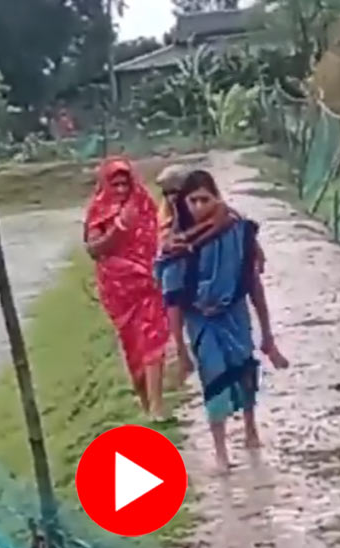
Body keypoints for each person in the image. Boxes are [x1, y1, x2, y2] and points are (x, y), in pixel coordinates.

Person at [155, 170, 288, 474]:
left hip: (234, 313)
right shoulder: (176, 245)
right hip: (201, 321)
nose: (199, 206)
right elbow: (173, 301)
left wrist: (267, 334)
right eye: (193, 200)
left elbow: (253, 282)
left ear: (217, 198)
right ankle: (220, 450)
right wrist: (181, 349)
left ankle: (251, 428)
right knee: (213, 378)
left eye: (206, 199)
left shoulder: (237, 232)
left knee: (244, 368)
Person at [84, 157, 170, 421]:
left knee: (154, 339)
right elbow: (93, 249)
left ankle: (157, 406)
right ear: (106, 185)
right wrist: (119, 228)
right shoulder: (98, 211)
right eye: (116, 184)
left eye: (125, 183)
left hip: (148, 284)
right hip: (119, 291)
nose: (121, 189)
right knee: (133, 346)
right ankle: (145, 404)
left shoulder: (144, 204)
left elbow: (157, 237)